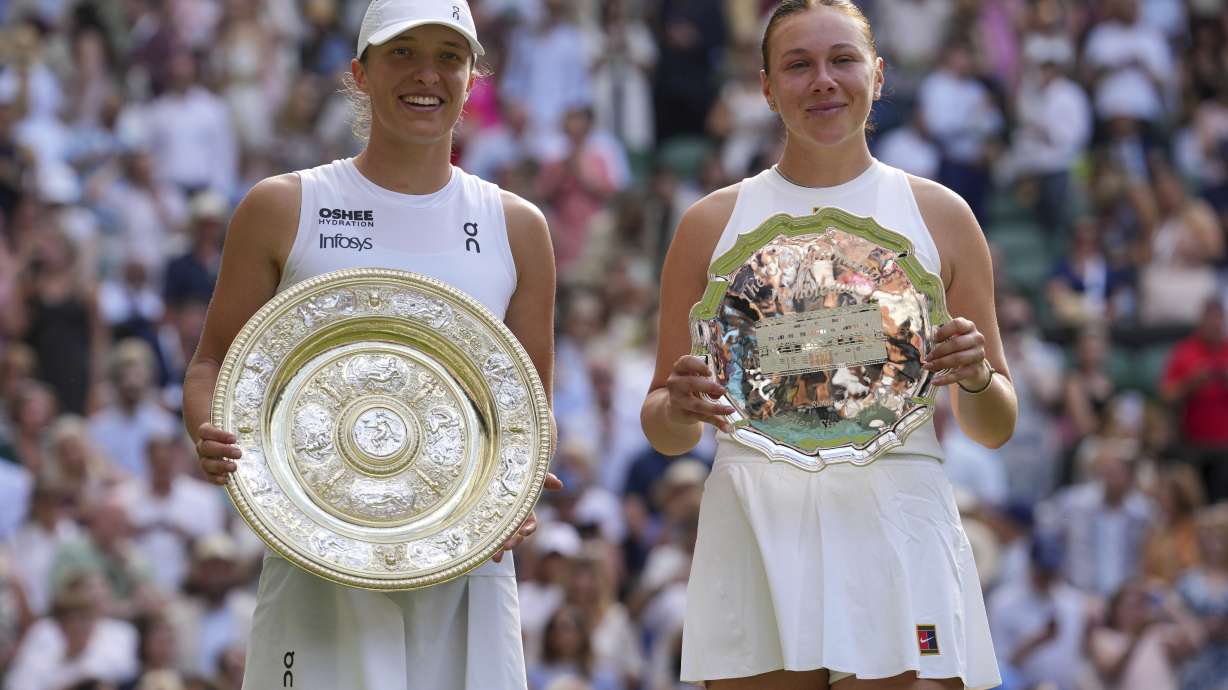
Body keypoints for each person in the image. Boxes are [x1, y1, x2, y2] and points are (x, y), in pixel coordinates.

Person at [640, 2, 1018, 688]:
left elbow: (994, 425)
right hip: (756, 517)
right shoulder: (708, 224)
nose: (823, 80)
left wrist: (976, 376)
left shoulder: (943, 216)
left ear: (877, 74)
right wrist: (680, 406)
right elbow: (664, 426)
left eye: (842, 60)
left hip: (899, 518)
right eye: (798, 64)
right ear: (764, 86)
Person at [182, 2, 558, 688]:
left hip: (465, 571)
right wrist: (211, 427)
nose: (427, 74)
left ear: (474, 78)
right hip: (316, 558)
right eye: (402, 53)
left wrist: (521, 489)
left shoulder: (518, 227)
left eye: (449, 56)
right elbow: (213, 364)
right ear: (359, 72)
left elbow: (529, 409)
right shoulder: (282, 206)